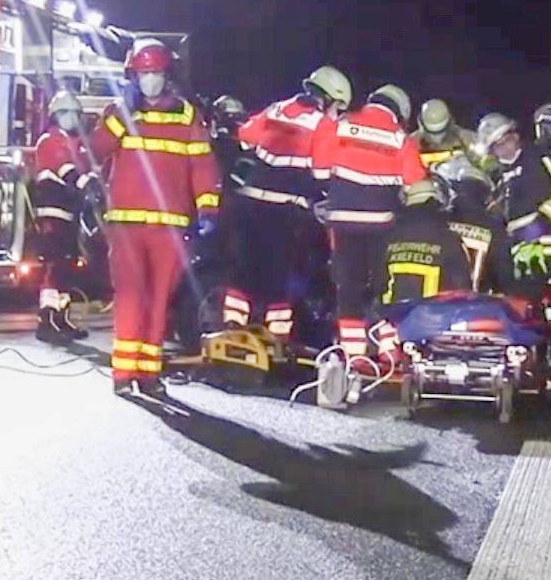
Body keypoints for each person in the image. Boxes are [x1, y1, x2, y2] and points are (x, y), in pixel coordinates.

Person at [90, 40, 220, 400]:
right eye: (144, 73)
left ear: (168, 75)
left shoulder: (186, 116)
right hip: (127, 224)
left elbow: (202, 166)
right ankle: (124, 373)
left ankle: (148, 373)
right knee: (130, 297)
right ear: (133, 76)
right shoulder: (119, 113)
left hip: (170, 225)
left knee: (160, 299)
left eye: (156, 73)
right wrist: (119, 118)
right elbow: (94, 151)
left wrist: (208, 207)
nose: (150, 79)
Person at [221, 67, 350, 341]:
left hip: (249, 202)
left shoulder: (277, 109)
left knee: (245, 269)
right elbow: (322, 172)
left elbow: (245, 136)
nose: (336, 113)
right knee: (280, 275)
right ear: (328, 98)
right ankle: (277, 336)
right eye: (337, 107)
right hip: (285, 209)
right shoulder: (322, 124)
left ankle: (232, 324)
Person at [311, 83, 425, 362]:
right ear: (400, 111)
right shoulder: (402, 139)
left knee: (348, 288)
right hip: (382, 225)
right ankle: (388, 352)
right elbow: (416, 185)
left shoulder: (341, 125)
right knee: (384, 288)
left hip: (343, 222)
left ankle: (353, 356)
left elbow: (320, 172)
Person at [477, 112, 551, 301]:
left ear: (515, 136)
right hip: (518, 246)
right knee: (524, 300)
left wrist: (543, 220)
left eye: (506, 141)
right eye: (497, 146)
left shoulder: (536, 156)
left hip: (544, 240)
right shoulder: (498, 176)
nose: (503, 148)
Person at [31, 91, 94, 343]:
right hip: (52, 213)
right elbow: (66, 168)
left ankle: (60, 318)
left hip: (68, 214)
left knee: (66, 268)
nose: (71, 118)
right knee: (53, 267)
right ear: (55, 115)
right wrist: (86, 184)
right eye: (66, 113)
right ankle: (46, 320)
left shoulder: (73, 142)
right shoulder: (50, 140)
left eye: (74, 113)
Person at [380, 179, 472, 305]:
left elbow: (378, 283)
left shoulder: (389, 236)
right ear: (436, 204)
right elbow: (462, 288)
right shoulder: (449, 239)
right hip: (435, 315)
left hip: (394, 314)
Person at [437, 157, 516, 296]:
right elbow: (504, 275)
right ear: (484, 195)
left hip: (438, 301)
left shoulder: (440, 220)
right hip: (476, 302)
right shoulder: (494, 228)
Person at [411, 98, 479, 169]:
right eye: (432, 133)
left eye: (441, 131)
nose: (437, 139)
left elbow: (481, 162)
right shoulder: (412, 143)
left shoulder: (466, 139)